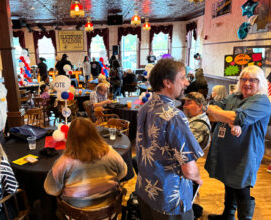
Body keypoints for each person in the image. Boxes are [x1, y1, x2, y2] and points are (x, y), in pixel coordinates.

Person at [136, 58, 203, 219]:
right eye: (183, 77)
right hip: (170, 199)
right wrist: (198, 179)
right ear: (167, 82)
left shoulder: (144, 108)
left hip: (146, 190)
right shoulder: (174, 116)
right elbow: (189, 169)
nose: (186, 83)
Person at [205, 65, 271, 220]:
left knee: (242, 187)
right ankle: (228, 215)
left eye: (252, 80)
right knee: (229, 182)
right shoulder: (234, 96)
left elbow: (238, 118)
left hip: (247, 151)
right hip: (229, 149)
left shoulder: (262, 102)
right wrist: (226, 117)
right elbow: (212, 111)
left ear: (259, 82)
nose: (247, 83)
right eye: (244, 79)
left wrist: (228, 117)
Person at [44, 118, 127, 209]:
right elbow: (123, 173)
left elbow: (52, 190)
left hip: (76, 213)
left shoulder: (63, 162)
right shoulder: (109, 153)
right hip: (108, 208)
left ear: (69, 137)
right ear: (95, 134)